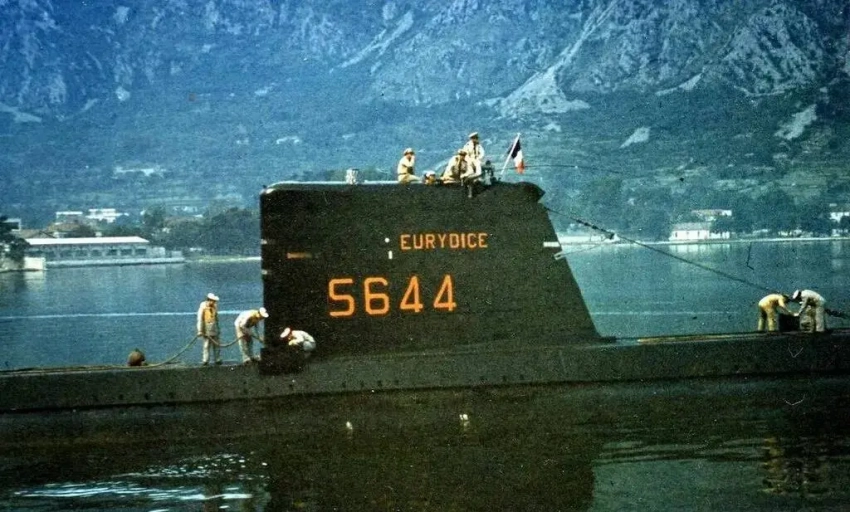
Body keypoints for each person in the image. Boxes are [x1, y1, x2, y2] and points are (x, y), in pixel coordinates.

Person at [197, 292, 222, 365]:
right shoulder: (203, 307)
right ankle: (205, 360)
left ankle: (217, 359)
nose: (214, 302)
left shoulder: (215, 306)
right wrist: (200, 330)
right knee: (206, 345)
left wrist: (218, 328)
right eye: (213, 301)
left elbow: (216, 318)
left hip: (214, 328)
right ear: (209, 300)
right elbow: (200, 319)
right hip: (206, 329)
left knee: (216, 344)